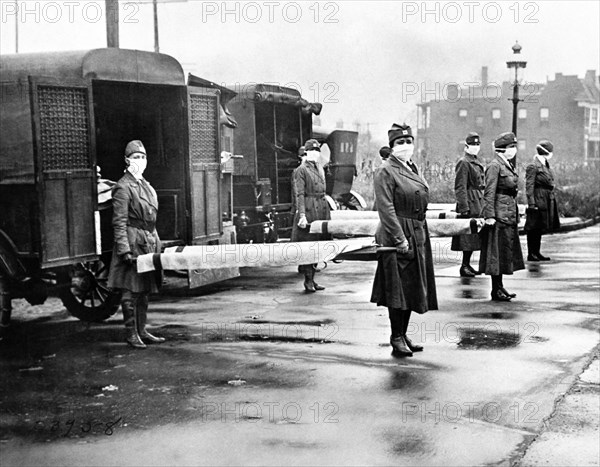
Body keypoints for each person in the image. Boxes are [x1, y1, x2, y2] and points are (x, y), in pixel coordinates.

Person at [371, 123, 438, 357]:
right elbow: (386, 208)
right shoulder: (385, 170)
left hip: (416, 230)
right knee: (396, 289)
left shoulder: (410, 167)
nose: (406, 146)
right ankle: (395, 336)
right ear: (391, 146)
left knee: (411, 287)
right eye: (401, 142)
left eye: (409, 141)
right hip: (397, 232)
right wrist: (400, 239)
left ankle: (403, 332)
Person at [107, 140, 164, 348]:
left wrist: (157, 242)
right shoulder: (123, 187)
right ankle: (131, 333)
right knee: (130, 291)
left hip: (148, 240)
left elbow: (151, 217)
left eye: (143, 157)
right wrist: (124, 250)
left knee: (144, 289)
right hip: (132, 242)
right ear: (127, 160)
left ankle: (142, 330)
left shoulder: (145, 185)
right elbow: (119, 222)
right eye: (135, 157)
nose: (140, 161)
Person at [479, 132, 525, 302]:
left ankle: (499, 287)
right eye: (511, 147)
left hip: (508, 213)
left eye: (514, 146)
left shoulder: (506, 164)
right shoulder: (494, 166)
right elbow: (489, 192)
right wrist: (489, 215)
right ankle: (495, 289)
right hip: (499, 214)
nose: (514, 150)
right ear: (502, 149)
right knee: (496, 254)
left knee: (503, 252)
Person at [291, 139, 330, 293]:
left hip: (320, 208)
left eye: (317, 150)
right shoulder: (301, 170)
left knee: (318, 246)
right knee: (309, 246)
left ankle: (312, 279)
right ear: (306, 152)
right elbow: (299, 194)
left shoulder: (319, 168)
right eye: (312, 150)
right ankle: (308, 281)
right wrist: (301, 215)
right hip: (308, 209)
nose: (315, 153)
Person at [452, 132, 485, 277]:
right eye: (472, 145)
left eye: (477, 145)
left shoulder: (475, 161)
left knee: (473, 236)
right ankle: (464, 265)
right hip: (470, 201)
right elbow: (460, 186)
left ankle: (467, 264)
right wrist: (464, 207)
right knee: (467, 237)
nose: (475, 147)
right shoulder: (464, 162)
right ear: (466, 146)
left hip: (478, 200)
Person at [525, 140, 560, 261]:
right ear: (546, 152)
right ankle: (531, 253)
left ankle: (537, 252)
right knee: (533, 227)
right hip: (538, 197)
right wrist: (531, 203)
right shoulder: (533, 166)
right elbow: (529, 186)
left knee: (539, 227)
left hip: (546, 198)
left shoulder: (545, 164)